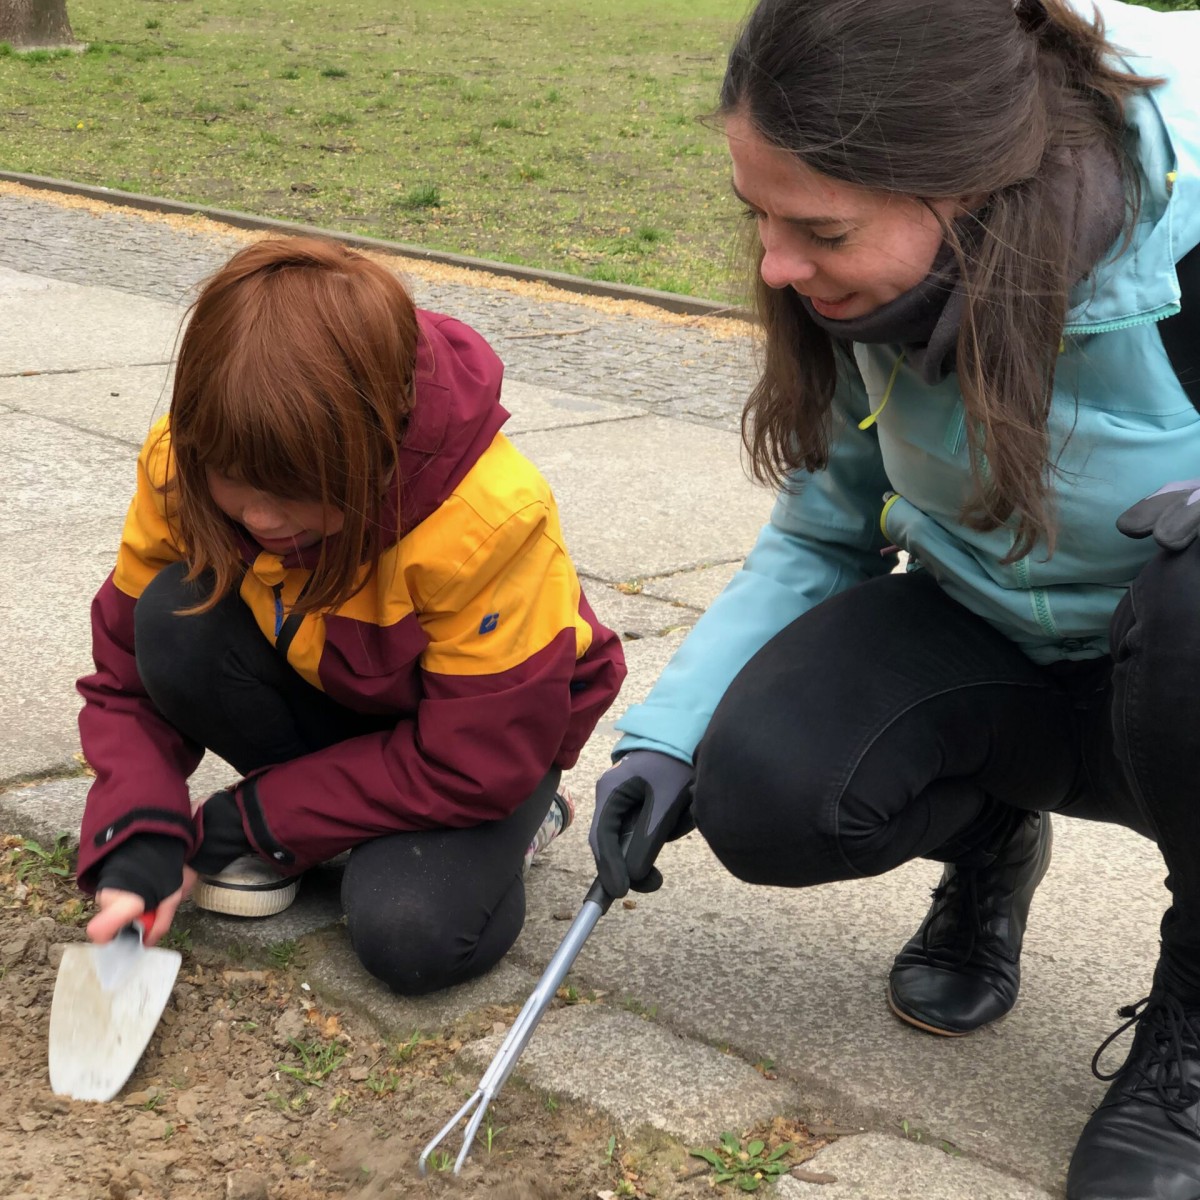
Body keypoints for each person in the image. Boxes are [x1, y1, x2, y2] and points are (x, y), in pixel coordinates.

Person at [588, 0, 1200, 1194]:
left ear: (972, 194)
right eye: (754, 214)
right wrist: (668, 739)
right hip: (997, 640)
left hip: (1177, 672)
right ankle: (988, 841)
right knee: (764, 793)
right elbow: (828, 522)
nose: (771, 264)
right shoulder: (857, 290)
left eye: (816, 227)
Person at [76, 236, 625, 996]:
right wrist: (136, 831)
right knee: (174, 615)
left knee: (415, 935)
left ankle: (530, 814)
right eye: (235, 481)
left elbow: (476, 759)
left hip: (486, 741)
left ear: (384, 438)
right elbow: (124, 681)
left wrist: (248, 823)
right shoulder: (183, 459)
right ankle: (325, 809)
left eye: (300, 489)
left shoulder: (490, 516)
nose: (264, 515)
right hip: (337, 692)